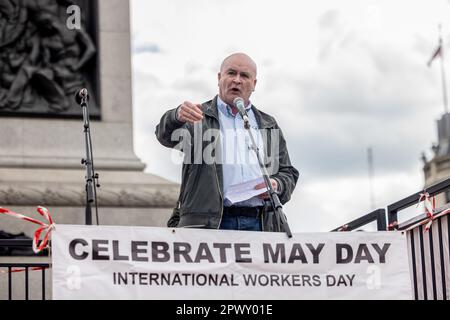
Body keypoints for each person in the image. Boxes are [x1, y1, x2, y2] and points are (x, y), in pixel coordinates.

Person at [156, 53, 299, 232]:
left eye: (244, 76)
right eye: (231, 73)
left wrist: (277, 185)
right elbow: (165, 135)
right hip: (210, 225)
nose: (237, 80)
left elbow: (287, 172)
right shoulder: (198, 117)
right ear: (219, 78)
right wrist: (175, 117)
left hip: (261, 224)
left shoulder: (268, 124)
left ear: (254, 84)